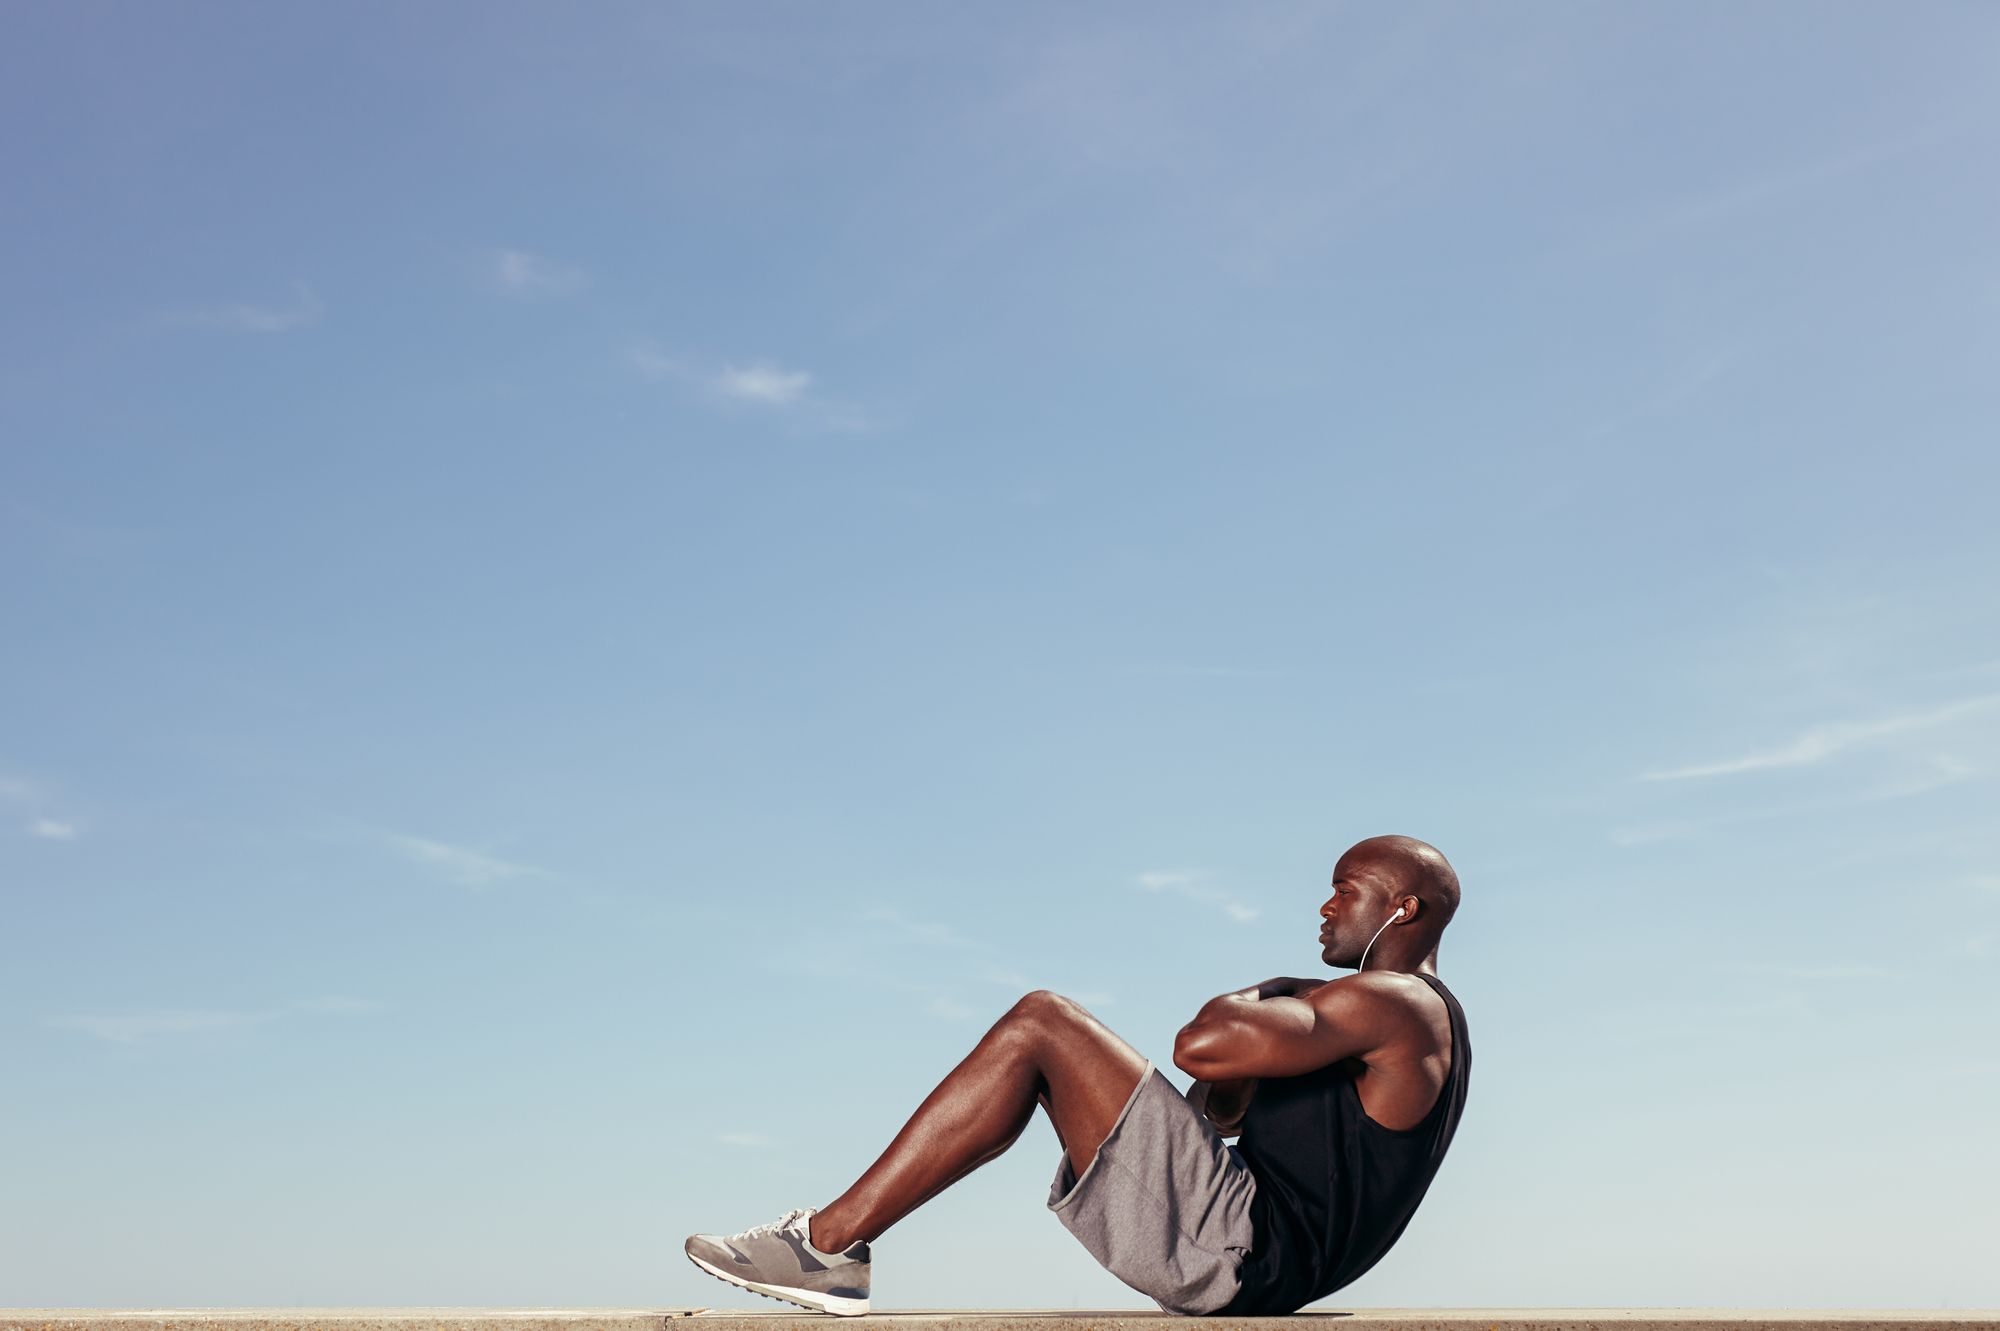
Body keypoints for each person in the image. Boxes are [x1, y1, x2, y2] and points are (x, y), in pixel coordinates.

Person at [683, 834, 1470, 1316]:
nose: (1325, 905)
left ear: (1401, 910)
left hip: (1245, 1247)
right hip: (1259, 1254)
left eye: (1344, 887)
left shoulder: (1397, 1002)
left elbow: (1201, 1045)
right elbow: (1219, 1104)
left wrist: (1273, 990)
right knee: (1044, 1045)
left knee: (1042, 1021)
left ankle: (825, 1244)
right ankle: (832, 1246)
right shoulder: (1388, 1023)